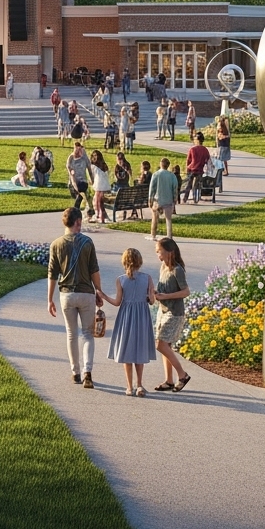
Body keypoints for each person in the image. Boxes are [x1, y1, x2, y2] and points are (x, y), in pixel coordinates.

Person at [46, 207, 105, 388]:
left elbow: (52, 274)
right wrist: (99, 291)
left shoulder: (56, 244)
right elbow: (94, 269)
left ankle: (75, 372)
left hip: (66, 295)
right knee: (88, 334)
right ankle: (88, 372)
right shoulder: (87, 242)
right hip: (86, 293)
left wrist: (50, 299)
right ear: (78, 221)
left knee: (71, 334)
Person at [105, 248, 155, 397]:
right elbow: (152, 300)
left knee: (127, 350)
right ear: (140, 261)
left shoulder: (120, 279)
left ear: (124, 262)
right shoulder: (147, 278)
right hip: (142, 316)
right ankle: (139, 385)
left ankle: (129, 387)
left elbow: (117, 302)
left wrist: (103, 296)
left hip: (126, 316)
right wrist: (148, 296)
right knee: (139, 349)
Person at [153, 238, 192, 392]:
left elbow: (186, 291)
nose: (158, 254)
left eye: (159, 251)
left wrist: (165, 296)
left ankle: (182, 375)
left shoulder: (177, 270)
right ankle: (169, 381)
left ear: (169, 251)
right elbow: (162, 288)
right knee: (165, 346)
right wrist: (155, 293)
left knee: (160, 344)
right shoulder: (163, 267)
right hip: (162, 311)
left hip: (174, 313)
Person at [148, 157, 179, 240]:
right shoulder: (172, 176)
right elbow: (175, 188)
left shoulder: (156, 174)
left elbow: (152, 188)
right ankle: (169, 235)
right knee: (168, 219)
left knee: (155, 218)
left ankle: (153, 235)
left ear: (160, 164)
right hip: (168, 200)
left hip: (157, 200)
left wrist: (150, 199)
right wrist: (175, 198)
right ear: (168, 165)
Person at [185, 133, 211, 204]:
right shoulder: (205, 150)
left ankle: (185, 198)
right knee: (197, 183)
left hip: (191, 169)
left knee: (188, 185)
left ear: (197, 140)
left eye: (194, 139)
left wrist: (187, 168)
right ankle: (195, 197)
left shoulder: (192, 149)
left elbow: (188, 160)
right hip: (200, 170)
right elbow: (208, 160)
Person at [66, 142, 90, 213]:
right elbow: (72, 177)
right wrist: (76, 189)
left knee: (89, 197)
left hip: (83, 183)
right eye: (77, 150)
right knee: (80, 196)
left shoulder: (84, 158)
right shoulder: (71, 159)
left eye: (81, 150)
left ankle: (90, 211)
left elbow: (90, 169)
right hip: (74, 184)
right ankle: (75, 211)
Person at [88, 150, 111, 224]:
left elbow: (91, 177)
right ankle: (101, 216)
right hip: (105, 184)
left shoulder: (93, 166)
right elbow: (107, 173)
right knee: (100, 200)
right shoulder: (104, 165)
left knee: (97, 201)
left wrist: (91, 182)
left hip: (98, 184)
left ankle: (98, 215)